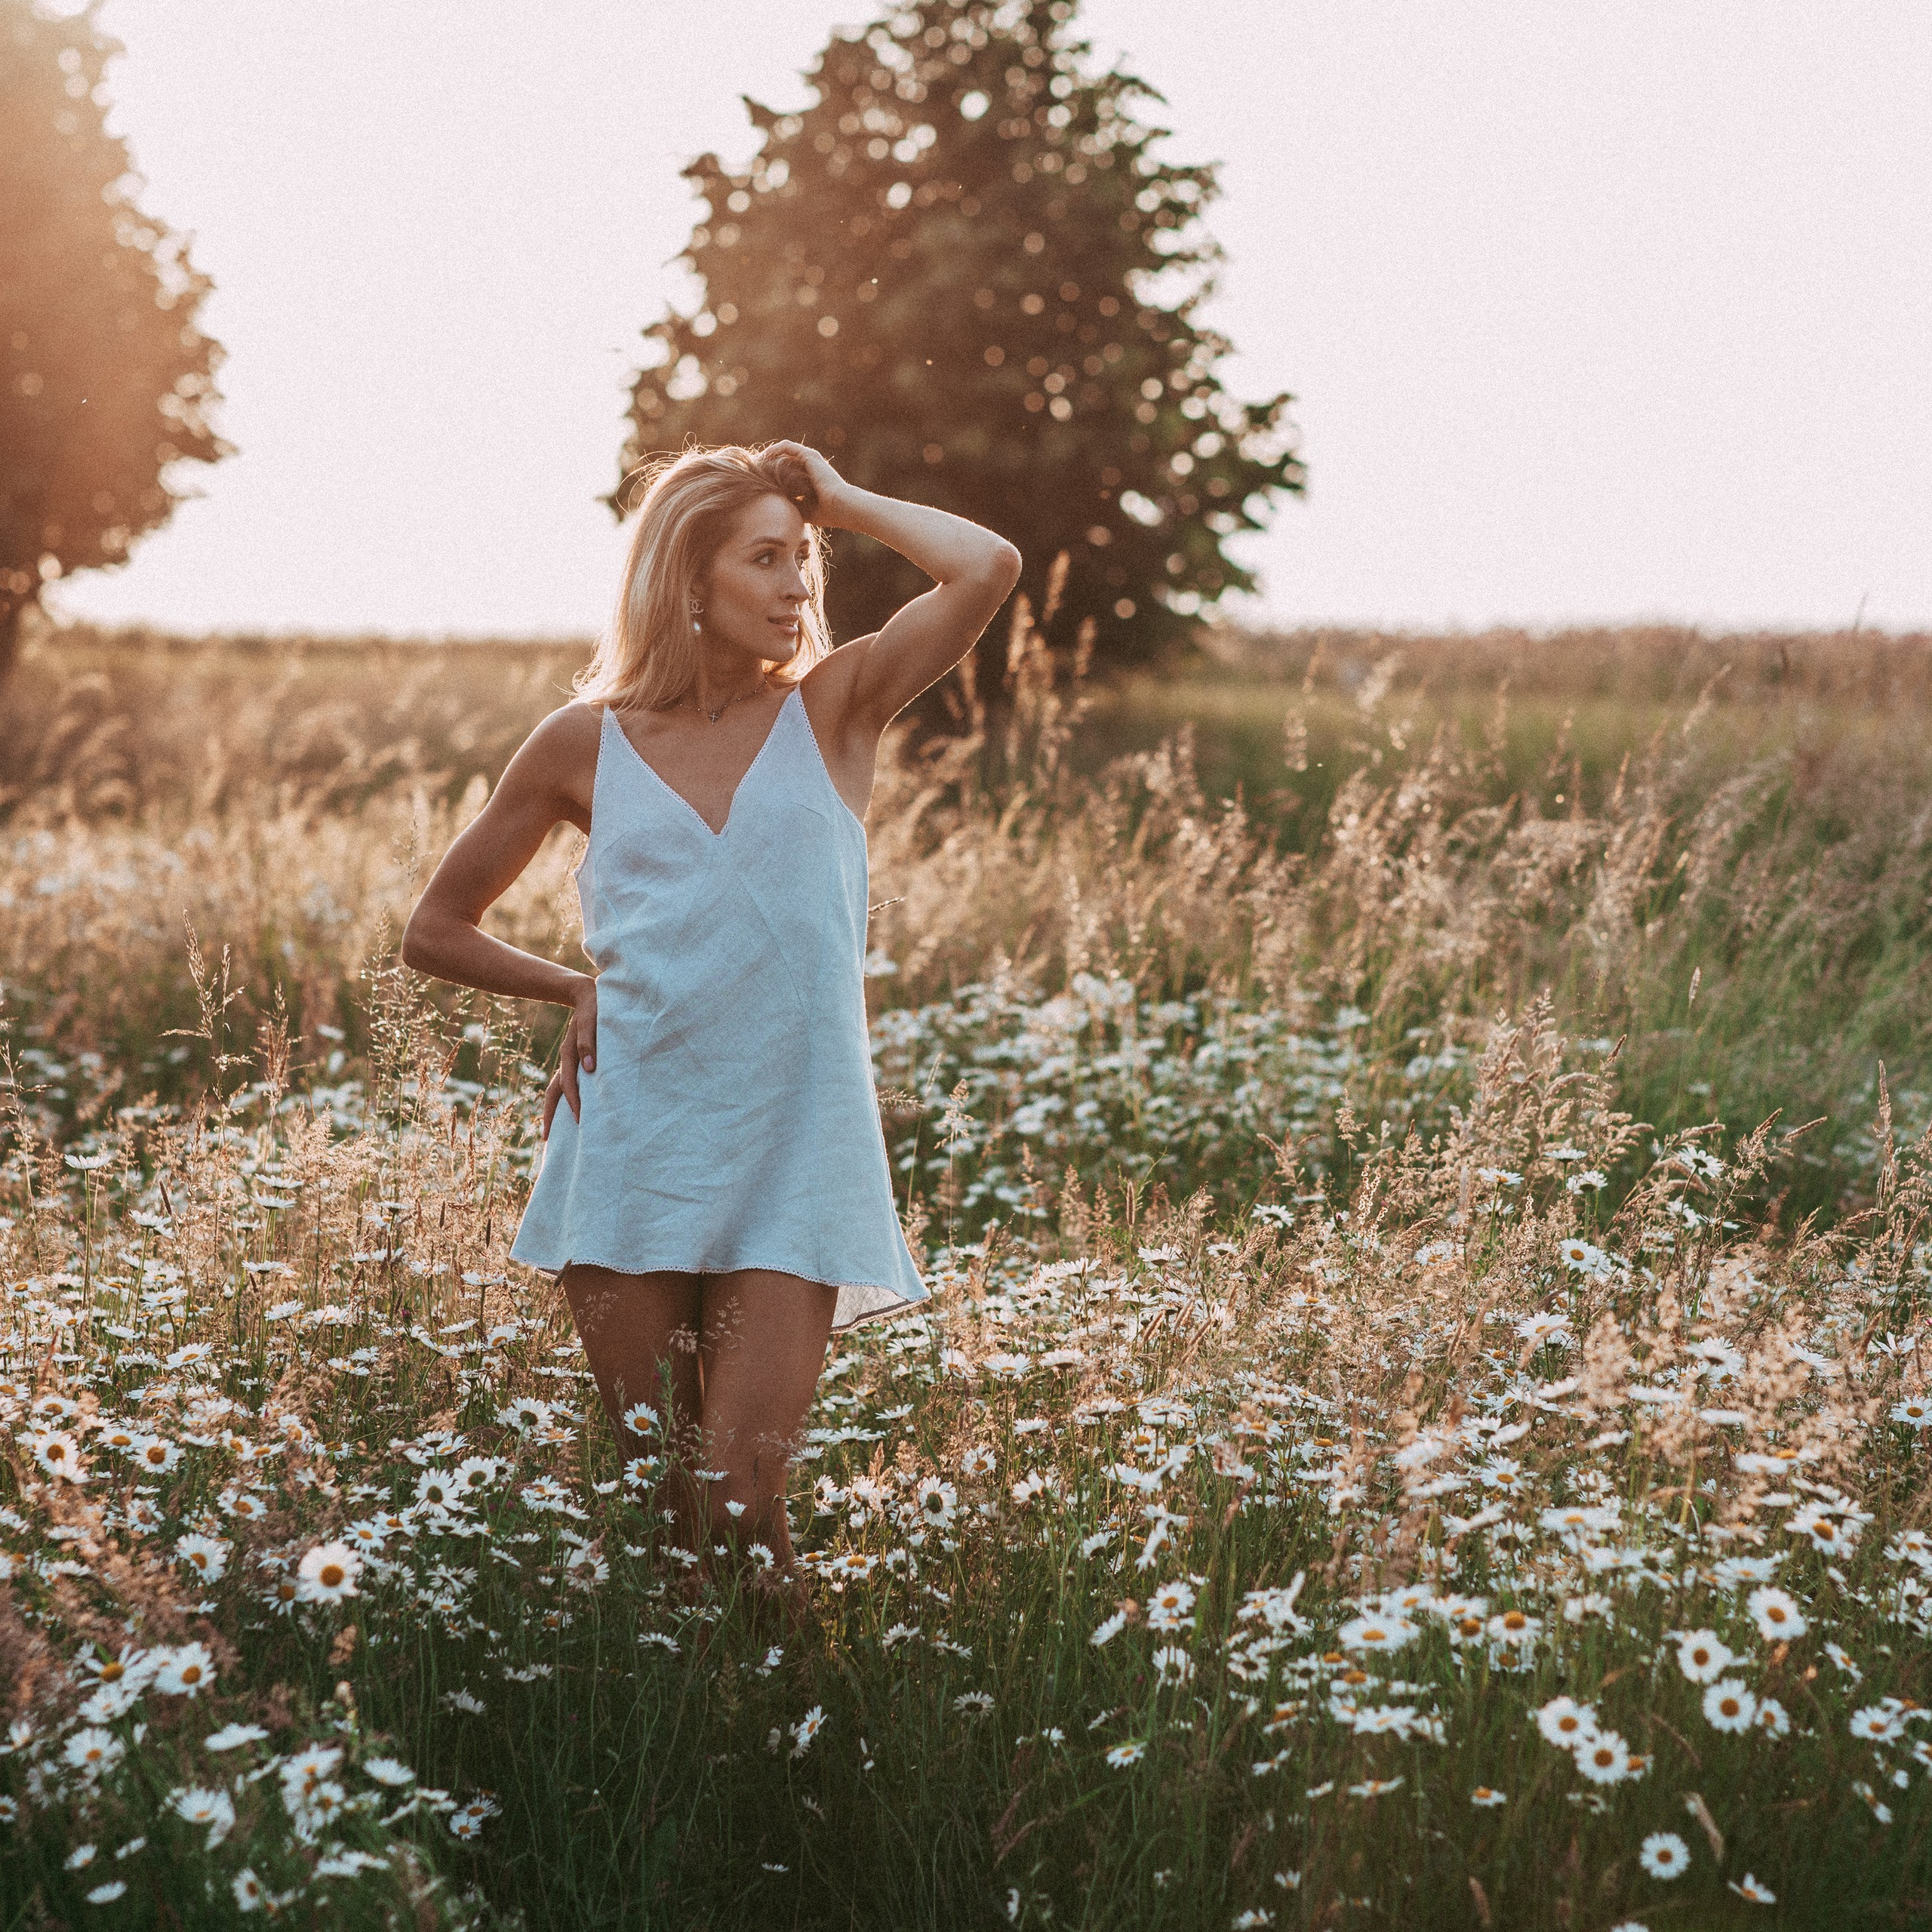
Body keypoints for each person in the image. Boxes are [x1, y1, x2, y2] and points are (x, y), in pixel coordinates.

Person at [400, 440, 1021, 1623]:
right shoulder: (580, 743)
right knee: (668, 1502)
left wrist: (839, 497)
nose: (798, 584)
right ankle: (738, 1754)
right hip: (634, 1139)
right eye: (766, 558)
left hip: (798, 1146)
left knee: (738, 1491)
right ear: (691, 581)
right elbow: (436, 929)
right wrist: (569, 988)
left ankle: (798, 1740)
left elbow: (985, 568)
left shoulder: (837, 706)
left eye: (807, 557)